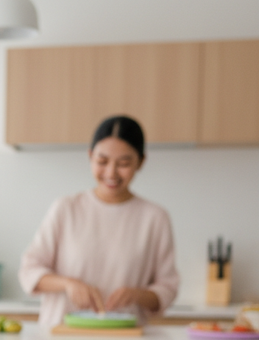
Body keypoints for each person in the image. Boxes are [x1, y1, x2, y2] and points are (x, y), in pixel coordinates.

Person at [19, 115, 180, 328]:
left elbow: (168, 287)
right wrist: (68, 284)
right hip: (62, 336)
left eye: (123, 163)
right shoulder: (66, 208)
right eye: (102, 161)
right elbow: (29, 271)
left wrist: (138, 295)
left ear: (141, 162)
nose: (111, 173)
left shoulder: (155, 217)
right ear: (90, 156)